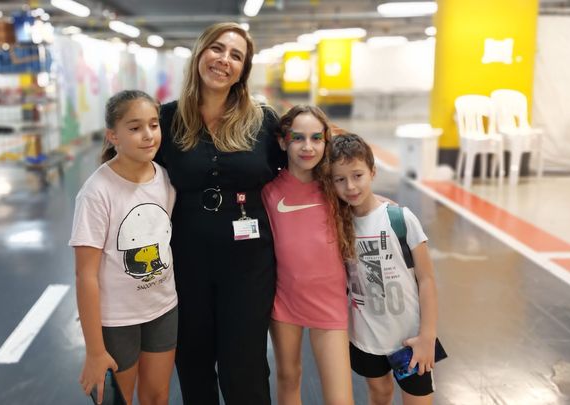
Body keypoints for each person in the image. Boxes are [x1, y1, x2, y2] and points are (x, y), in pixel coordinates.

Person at [155, 22, 284, 404]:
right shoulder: (166, 120)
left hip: (249, 265)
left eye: (236, 56)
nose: (224, 60)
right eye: (217, 49)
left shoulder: (263, 121)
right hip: (186, 261)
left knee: (243, 364)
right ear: (200, 53)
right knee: (192, 361)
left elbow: (301, 171)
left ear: (243, 71)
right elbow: (133, 176)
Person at [70, 90, 178, 405]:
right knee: (119, 400)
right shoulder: (97, 192)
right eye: (134, 128)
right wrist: (94, 350)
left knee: (157, 395)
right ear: (112, 136)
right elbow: (85, 276)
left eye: (154, 125)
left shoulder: (166, 180)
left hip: (163, 308)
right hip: (116, 320)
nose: (148, 135)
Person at [322, 134, 440, 405]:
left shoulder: (400, 218)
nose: (350, 186)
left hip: (409, 341)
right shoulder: (338, 224)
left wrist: (427, 336)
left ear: (372, 172)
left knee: (418, 400)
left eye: (357, 175)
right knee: (380, 393)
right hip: (365, 339)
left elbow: (426, 280)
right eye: (340, 179)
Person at [261, 105, 354, 405]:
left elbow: (367, 202)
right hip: (285, 300)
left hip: (329, 301)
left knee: (340, 398)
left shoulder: (335, 188)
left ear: (326, 141)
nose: (307, 146)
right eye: (298, 138)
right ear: (282, 141)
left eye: (316, 138)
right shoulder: (268, 191)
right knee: (289, 378)